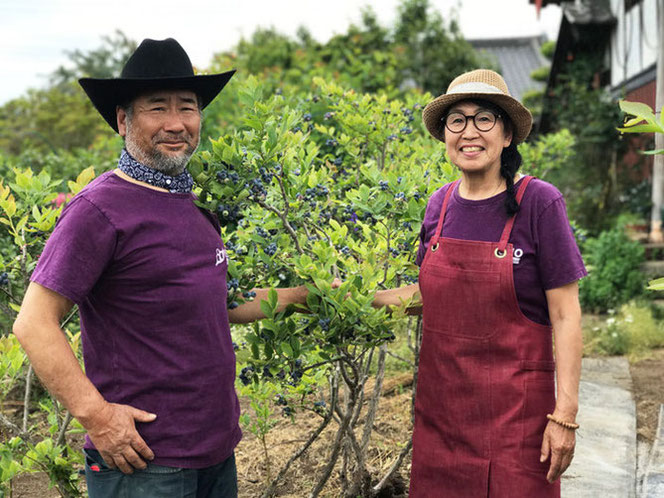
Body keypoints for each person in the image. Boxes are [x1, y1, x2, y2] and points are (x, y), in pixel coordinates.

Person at [12, 38, 310, 498]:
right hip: (143, 463)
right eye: (157, 108)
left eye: (187, 108)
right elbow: (33, 323)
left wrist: (304, 296)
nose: (176, 123)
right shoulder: (99, 209)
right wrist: (97, 417)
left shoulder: (189, 205)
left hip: (214, 451)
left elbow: (215, 304)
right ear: (123, 120)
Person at [372, 69, 586, 497]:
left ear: (507, 135)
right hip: (443, 419)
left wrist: (565, 415)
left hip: (517, 422)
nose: (469, 132)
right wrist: (352, 297)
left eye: (484, 118)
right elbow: (429, 295)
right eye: (458, 120)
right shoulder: (439, 204)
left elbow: (566, 314)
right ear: (445, 135)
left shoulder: (539, 202)